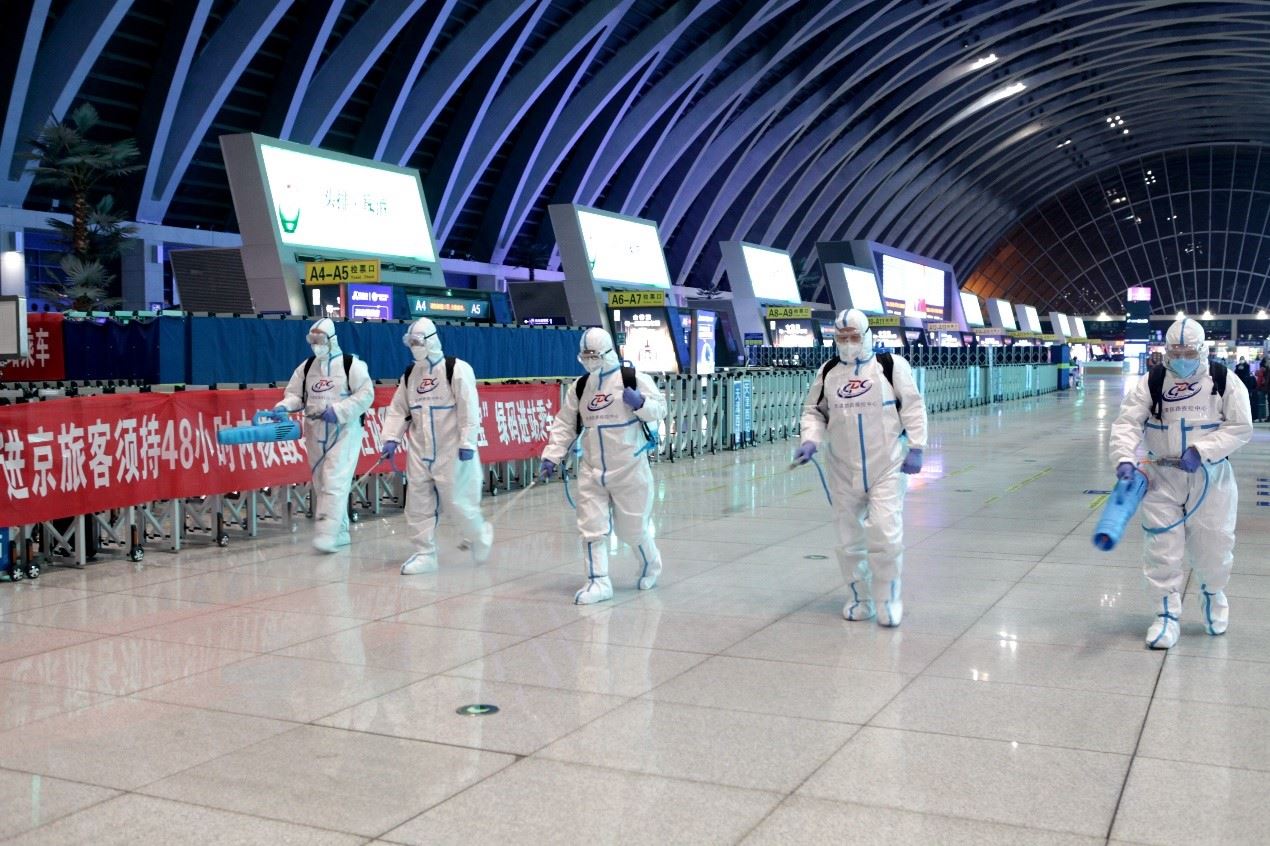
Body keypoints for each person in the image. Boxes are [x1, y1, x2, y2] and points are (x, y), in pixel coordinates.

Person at [1110, 318, 1252, 649]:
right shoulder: (1153, 381)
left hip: (1210, 477)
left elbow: (1241, 426)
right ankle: (1166, 616)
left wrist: (1203, 450)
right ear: (1166, 352)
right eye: (1176, 352)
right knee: (1161, 549)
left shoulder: (1223, 381)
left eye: (1189, 352)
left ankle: (1213, 595)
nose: (1183, 358)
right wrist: (1124, 457)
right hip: (1162, 477)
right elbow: (1127, 423)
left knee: (1214, 545)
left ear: (1202, 350)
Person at [795, 309, 928, 627]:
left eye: (854, 336)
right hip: (843, 469)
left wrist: (917, 447)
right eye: (842, 337)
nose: (848, 342)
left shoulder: (890, 366)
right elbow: (814, 410)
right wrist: (810, 439)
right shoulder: (829, 372)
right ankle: (859, 597)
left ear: (867, 335)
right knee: (848, 539)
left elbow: (913, 405)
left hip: (887, 465)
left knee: (885, 533)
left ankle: (888, 599)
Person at [539, 328, 667, 604]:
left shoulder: (633, 379)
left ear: (608, 352)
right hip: (593, 469)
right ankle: (598, 582)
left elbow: (660, 409)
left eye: (594, 355)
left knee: (632, 529)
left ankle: (650, 563)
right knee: (591, 527)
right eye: (584, 356)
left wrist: (641, 403)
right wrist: (553, 455)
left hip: (630, 467)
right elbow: (565, 423)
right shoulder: (581, 387)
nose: (589, 361)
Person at [380, 318, 493, 574]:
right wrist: (391, 438)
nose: (414, 347)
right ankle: (425, 553)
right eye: (410, 342)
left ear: (431, 341)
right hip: (420, 451)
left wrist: (467, 441)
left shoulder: (456, 369)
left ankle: (479, 535)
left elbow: (468, 407)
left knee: (459, 503)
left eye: (418, 342)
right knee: (417, 503)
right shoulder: (410, 375)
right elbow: (399, 409)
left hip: (452, 450)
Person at [276, 317, 374, 553]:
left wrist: (339, 411)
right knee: (321, 482)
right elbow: (295, 394)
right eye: (312, 340)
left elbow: (366, 394)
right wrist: (284, 406)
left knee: (334, 480)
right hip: (315, 432)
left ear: (331, 339)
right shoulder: (307, 367)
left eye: (319, 339)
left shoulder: (351, 365)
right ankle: (340, 531)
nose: (316, 344)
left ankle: (326, 534)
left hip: (344, 432)